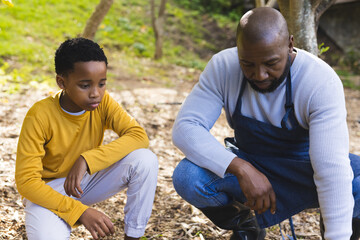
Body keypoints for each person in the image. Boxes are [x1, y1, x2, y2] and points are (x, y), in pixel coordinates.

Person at [172, 7, 360, 240]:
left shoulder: (320, 81)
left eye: (271, 63)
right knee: (188, 177)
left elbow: (330, 169)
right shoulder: (222, 67)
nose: (260, 75)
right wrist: (242, 168)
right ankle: (248, 227)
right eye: (248, 64)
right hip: (252, 162)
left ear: (290, 44)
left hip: (306, 168)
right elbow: (186, 127)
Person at [15, 37, 158, 240]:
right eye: (85, 85)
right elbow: (27, 182)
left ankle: (133, 236)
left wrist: (87, 159)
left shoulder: (103, 103)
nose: (96, 94)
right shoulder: (39, 115)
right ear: (61, 82)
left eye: (102, 84)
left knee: (145, 160)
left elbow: (138, 136)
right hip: (47, 192)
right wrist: (79, 211)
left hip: (85, 182)